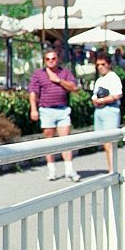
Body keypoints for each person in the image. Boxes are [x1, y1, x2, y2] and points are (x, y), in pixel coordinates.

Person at [28, 48, 81, 182]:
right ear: (44, 61)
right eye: (48, 59)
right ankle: (52, 170)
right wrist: (33, 109)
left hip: (62, 110)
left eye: (53, 59)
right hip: (46, 110)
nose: (51, 61)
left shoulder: (65, 73)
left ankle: (69, 170)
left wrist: (58, 80)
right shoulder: (38, 74)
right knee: (49, 142)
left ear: (58, 60)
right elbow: (33, 92)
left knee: (65, 140)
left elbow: (74, 87)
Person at [91, 53, 123, 173]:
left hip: (110, 110)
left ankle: (112, 170)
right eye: (98, 65)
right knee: (104, 142)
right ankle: (110, 168)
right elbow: (94, 96)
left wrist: (103, 100)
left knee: (110, 142)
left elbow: (117, 95)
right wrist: (96, 101)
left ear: (109, 65)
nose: (100, 67)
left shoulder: (113, 77)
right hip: (99, 111)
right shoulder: (99, 80)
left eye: (103, 64)